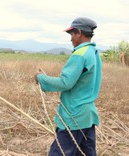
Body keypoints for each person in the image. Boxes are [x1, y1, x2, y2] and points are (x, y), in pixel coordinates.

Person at [35, 17, 102, 156]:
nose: (71, 38)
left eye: (72, 34)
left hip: (74, 116)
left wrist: (40, 78)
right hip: (87, 116)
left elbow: (65, 83)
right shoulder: (94, 52)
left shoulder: (79, 54)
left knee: (58, 153)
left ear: (79, 33)